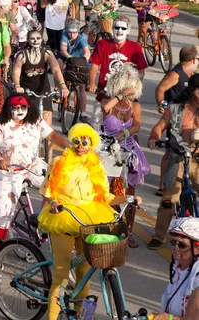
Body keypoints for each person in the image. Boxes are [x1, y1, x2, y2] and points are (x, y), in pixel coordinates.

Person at [38, 123, 135, 320]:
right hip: (63, 215)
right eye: (76, 141)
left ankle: (81, 316)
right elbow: (48, 191)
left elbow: (105, 196)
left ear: (91, 144)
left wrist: (127, 198)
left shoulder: (96, 164)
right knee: (61, 274)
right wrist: (54, 202)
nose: (80, 145)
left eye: (85, 142)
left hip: (90, 218)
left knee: (85, 270)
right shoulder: (59, 161)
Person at [0, 95, 68, 248]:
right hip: (8, 172)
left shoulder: (35, 120)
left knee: (59, 186)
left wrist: (69, 147)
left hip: (33, 166)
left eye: (22, 107)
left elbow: (52, 135)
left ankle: (45, 220)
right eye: (15, 107)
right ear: (8, 109)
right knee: (4, 215)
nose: (19, 110)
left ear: (28, 108)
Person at [99, 63, 149, 247]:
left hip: (128, 153)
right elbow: (105, 110)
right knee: (111, 192)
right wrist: (120, 95)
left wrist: (125, 134)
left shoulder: (135, 106)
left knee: (129, 194)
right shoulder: (108, 103)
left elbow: (136, 125)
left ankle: (128, 231)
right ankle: (110, 226)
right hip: (109, 154)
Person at [148, 74, 199, 248]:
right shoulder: (177, 109)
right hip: (176, 157)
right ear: (192, 90)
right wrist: (154, 136)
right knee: (168, 200)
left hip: (197, 160)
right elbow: (161, 125)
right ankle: (159, 236)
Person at [11, 29, 69, 128]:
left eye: (38, 38)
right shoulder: (22, 55)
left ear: (42, 40)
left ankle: (47, 143)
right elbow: (16, 72)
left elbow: (56, 70)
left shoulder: (47, 53)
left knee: (48, 127)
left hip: (43, 90)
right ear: (28, 40)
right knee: (26, 124)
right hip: (26, 90)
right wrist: (17, 85)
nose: (35, 41)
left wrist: (63, 86)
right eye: (32, 38)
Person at [88, 16, 147, 101]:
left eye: (123, 28)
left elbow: (141, 72)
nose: (119, 31)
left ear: (128, 30)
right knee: (99, 112)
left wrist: (135, 86)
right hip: (105, 91)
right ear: (112, 29)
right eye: (117, 27)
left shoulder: (135, 47)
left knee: (136, 111)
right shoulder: (102, 44)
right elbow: (94, 65)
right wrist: (92, 84)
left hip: (125, 94)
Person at [153, 217, 199, 319]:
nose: (175, 248)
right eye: (173, 242)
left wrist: (170, 318)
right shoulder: (178, 266)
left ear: (197, 248)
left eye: (182, 245)